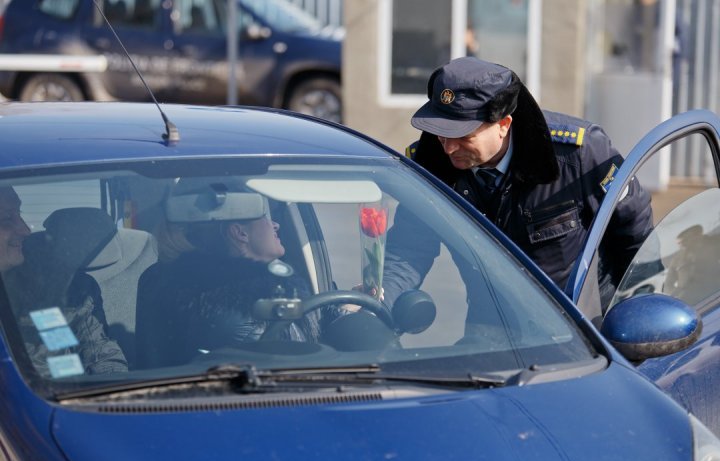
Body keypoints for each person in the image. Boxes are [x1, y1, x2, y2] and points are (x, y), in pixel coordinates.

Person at [391, 57, 654, 314]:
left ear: (503, 125)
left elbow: (635, 234)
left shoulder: (579, 154)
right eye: (441, 133)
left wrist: (637, 313)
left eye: (463, 136)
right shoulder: (430, 163)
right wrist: (379, 300)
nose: (448, 148)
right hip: (492, 329)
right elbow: (409, 247)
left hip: (579, 331)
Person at [134, 185, 383, 368]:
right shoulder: (244, 314)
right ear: (240, 233)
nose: (276, 225)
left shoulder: (270, 286)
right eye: (266, 217)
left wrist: (346, 307)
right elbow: (299, 373)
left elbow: (310, 319)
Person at [0, 187, 128, 377]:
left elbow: (99, 355)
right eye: (5, 218)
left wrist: (113, 392)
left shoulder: (59, 291)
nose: (25, 230)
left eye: (19, 214)